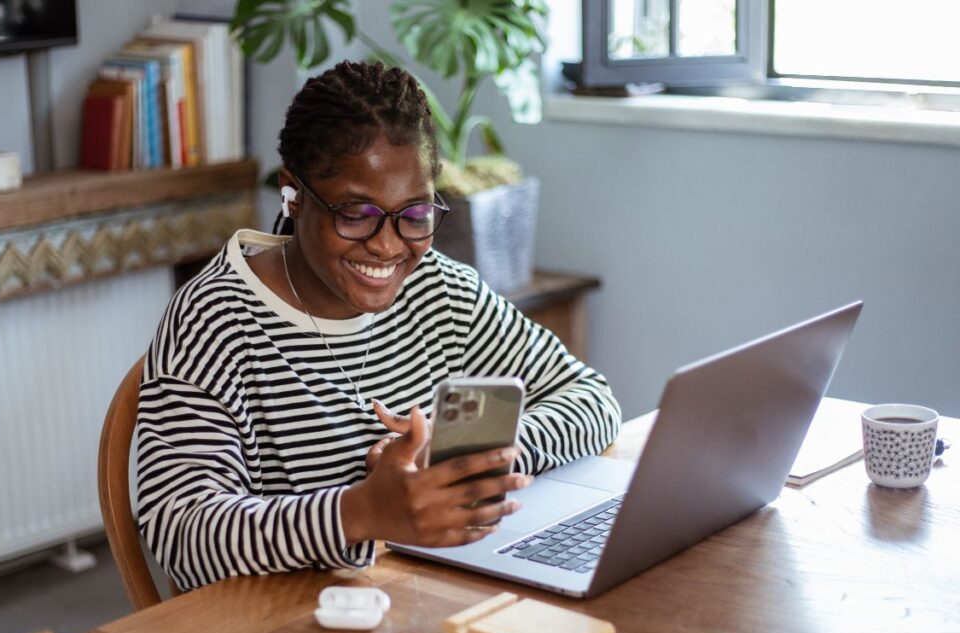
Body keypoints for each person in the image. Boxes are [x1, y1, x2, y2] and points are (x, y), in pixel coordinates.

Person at [136, 61, 621, 591]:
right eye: (356, 214)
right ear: (292, 195)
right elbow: (179, 533)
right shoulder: (215, 320)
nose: (388, 246)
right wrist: (360, 512)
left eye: (413, 215)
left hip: (406, 602)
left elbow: (591, 397)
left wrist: (471, 458)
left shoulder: (437, 289)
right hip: (275, 628)